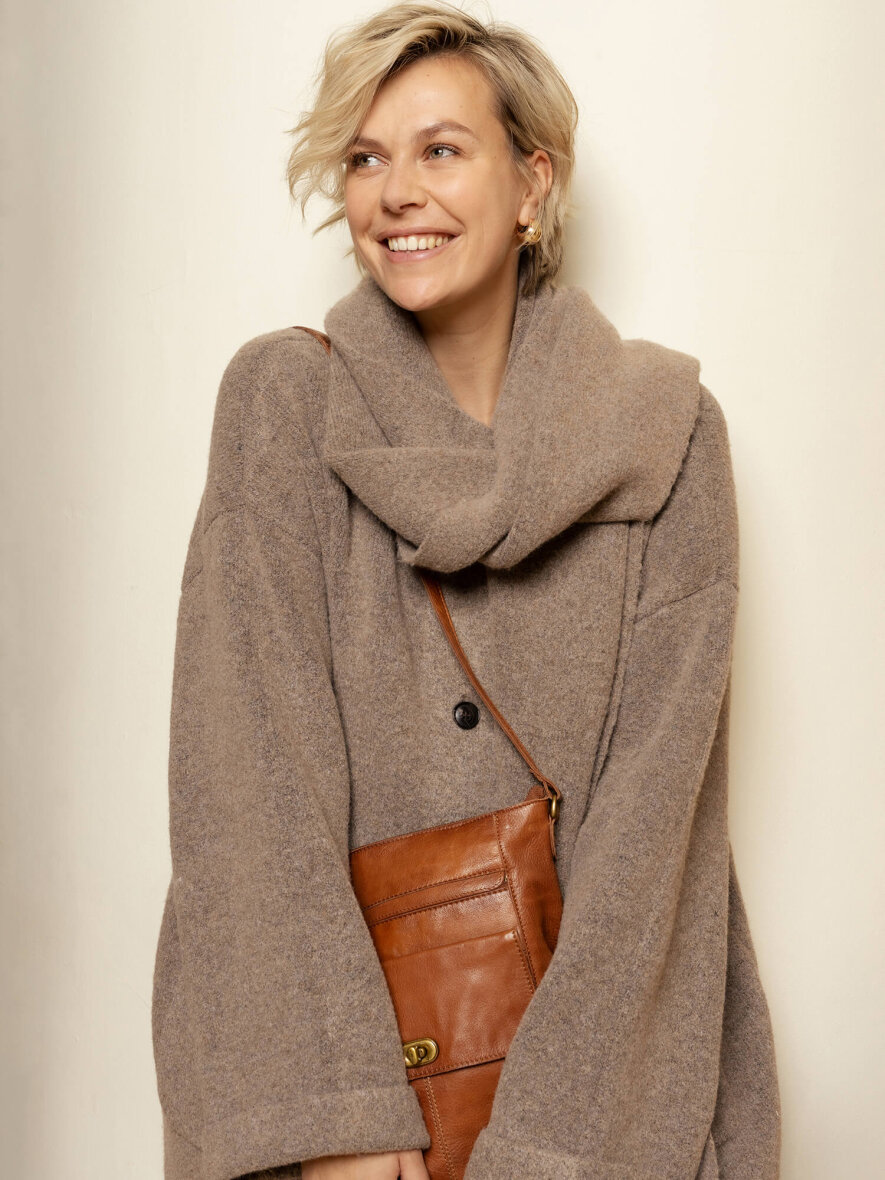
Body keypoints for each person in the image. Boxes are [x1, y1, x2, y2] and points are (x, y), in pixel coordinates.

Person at [150, 3, 782, 1178]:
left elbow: (660, 833)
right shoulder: (284, 404)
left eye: (440, 150)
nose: (397, 192)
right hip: (349, 1113)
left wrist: (554, 1146)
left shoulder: (667, 435)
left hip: (606, 1099)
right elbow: (246, 779)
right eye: (364, 159)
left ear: (533, 184)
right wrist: (337, 1119)